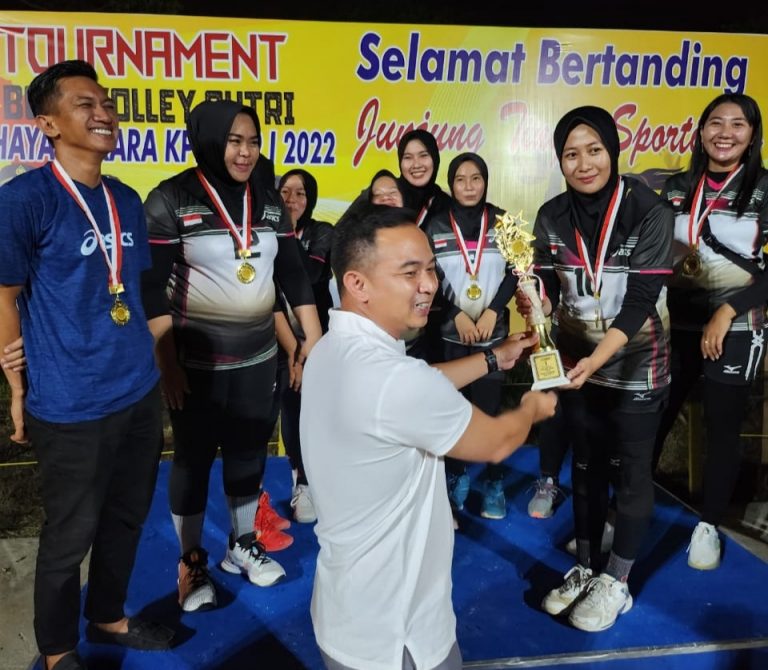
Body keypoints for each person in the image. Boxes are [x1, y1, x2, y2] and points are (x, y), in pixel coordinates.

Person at [300, 208, 557, 670]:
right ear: (357, 284)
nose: (429, 285)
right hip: (401, 639)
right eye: (409, 272)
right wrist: (532, 408)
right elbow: (496, 442)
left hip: (346, 616)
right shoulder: (395, 382)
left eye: (431, 269)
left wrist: (495, 358)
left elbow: (417, 385)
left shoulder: (331, 350)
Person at [0, 60, 173, 670]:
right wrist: (17, 387)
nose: (103, 113)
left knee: (126, 516)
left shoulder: (124, 199)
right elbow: (5, 295)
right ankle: (57, 650)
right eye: (84, 104)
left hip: (137, 390)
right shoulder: (24, 200)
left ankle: (108, 616)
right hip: (70, 402)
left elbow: (133, 290)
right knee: (69, 534)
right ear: (47, 124)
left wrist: (157, 364)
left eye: (106, 103)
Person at [141, 100, 322, 613]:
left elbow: (292, 275)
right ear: (209, 140)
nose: (245, 152)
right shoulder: (171, 199)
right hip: (195, 366)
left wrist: (312, 341)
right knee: (194, 461)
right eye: (234, 141)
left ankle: (241, 545)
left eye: (253, 141)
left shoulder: (268, 201)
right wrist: (167, 362)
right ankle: (191, 561)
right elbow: (149, 287)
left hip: (257, 361)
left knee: (247, 455)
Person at [523, 106, 673, 632]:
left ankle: (617, 580)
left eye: (594, 150)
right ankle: (587, 567)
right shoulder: (551, 215)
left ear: (613, 150)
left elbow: (641, 301)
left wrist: (595, 359)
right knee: (585, 466)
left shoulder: (649, 211)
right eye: (571, 154)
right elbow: (545, 282)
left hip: (636, 363)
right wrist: (536, 300)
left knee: (631, 473)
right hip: (575, 363)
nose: (584, 164)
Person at [653, 93, 768, 570]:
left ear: (752, 134)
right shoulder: (678, 187)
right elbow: (657, 253)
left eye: (737, 124)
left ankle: (708, 526)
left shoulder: (764, 188)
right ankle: (628, 507)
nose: (725, 132)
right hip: (679, 324)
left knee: (721, 428)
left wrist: (728, 311)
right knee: (653, 418)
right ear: (701, 134)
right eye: (715, 123)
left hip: (736, 327)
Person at [424, 152, 518, 520]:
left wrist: (493, 310)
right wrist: (455, 314)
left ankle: (494, 483)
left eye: (475, 178)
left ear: (485, 181)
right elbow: (428, 277)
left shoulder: (504, 222)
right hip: (451, 337)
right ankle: (456, 475)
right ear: (451, 184)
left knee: (490, 412)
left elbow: (516, 272)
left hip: (493, 336)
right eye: (460, 179)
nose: (468, 186)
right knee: (453, 412)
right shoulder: (435, 226)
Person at [275, 168, 334, 522]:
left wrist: (284, 232)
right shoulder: (261, 233)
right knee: (290, 409)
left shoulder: (321, 233)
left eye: (300, 193)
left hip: (317, 339)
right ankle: (302, 482)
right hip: (278, 338)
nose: (292, 199)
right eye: (285, 192)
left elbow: (309, 277)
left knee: (316, 413)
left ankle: (319, 481)